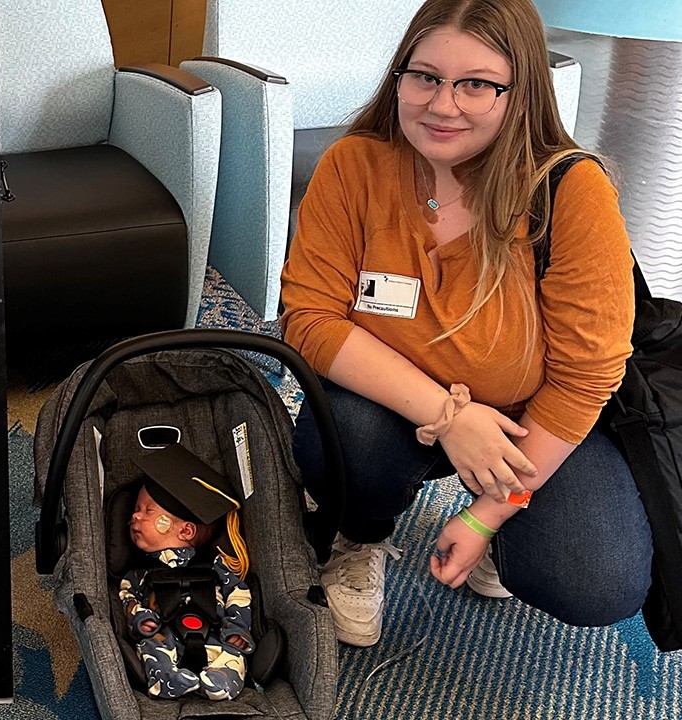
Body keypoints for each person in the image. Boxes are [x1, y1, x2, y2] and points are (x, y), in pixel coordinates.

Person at [281, 0, 652, 648]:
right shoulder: (355, 164)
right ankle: (361, 532)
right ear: (400, 75)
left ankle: (505, 529)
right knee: (343, 439)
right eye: (425, 76)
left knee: (595, 577)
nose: (442, 104)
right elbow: (309, 318)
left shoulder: (571, 190)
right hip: (392, 408)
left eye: (476, 84)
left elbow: (587, 377)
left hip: (531, 419)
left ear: (521, 91)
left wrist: (486, 515)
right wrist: (451, 418)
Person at [117, 444, 255, 700]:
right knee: (151, 648)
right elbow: (128, 599)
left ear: (186, 531)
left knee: (233, 655)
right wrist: (140, 618)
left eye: (147, 511)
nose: (135, 517)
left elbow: (238, 593)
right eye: (136, 509)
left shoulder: (215, 567)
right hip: (163, 632)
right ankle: (168, 679)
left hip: (215, 632)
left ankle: (220, 681)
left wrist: (237, 628)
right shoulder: (138, 575)